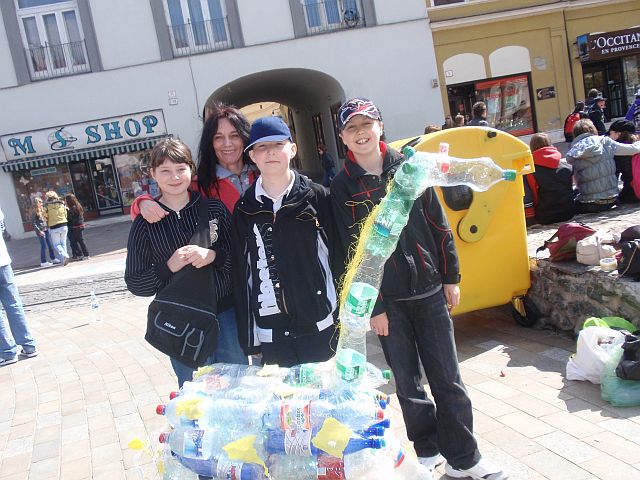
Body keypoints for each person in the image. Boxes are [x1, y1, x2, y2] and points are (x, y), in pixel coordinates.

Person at [330, 97, 508, 480]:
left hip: (429, 291)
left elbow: (439, 224)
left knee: (448, 379)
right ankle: (428, 452)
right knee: (408, 385)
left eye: (366, 124)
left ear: (379, 127)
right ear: (342, 137)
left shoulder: (409, 168)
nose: (360, 133)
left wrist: (451, 276)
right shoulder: (341, 187)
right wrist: (374, 306)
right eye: (351, 127)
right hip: (389, 303)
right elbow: (347, 252)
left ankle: (464, 458)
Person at [125, 138, 242, 387]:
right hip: (181, 323)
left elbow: (241, 259)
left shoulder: (214, 209)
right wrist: (168, 266)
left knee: (237, 387)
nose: (175, 177)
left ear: (191, 169)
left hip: (226, 316)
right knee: (195, 395)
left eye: (181, 169)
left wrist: (213, 256)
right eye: (165, 171)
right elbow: (136, 283)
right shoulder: (145, 223)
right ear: (153, 174)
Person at [231, 116, 337, 367]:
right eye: (261, 147)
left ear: (293, 149)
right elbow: (243, 274)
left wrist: (342, 318)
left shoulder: (317, 197)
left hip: (319, 323)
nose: (270, 152)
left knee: (322, 392)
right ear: (252, 156)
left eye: (278, 144)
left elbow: (338, 259)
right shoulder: (245, 209)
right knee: (281, 393)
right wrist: (251, 339)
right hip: (272, 333)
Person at [131, 103, 258, 219]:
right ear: (210, 143)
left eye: (234, 135)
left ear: (244, 137)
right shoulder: (198, 185)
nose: (227, 143)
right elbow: (164, 202)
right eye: (218, 137)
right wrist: (142, 203)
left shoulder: (262, 174)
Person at [567, 119, 640, 213]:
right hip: (612, 199)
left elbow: (575, 180)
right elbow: (632, 149)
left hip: (589, 203)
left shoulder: (575, 150)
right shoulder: (605, 141)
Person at [0, 206, 38, 367]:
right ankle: (29, 345)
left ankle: (8, 351)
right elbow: (3, 230)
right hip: (3, 262)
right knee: (14, 304)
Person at [523, 133, 575, 224]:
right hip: (569, 212)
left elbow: (532, 196)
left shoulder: (530, 171)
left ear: (532, 147)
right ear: (550, 144)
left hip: (546, 216)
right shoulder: (567, 165)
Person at [609, 119, 639, 203]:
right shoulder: (636, 144)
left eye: (611, 133)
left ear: (618, 133)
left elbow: (614, 176)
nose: (610, 136)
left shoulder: (618, 151)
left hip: (632, 192)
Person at [44, 191, 69, 266]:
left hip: (54, 226)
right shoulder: (62, 203)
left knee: (56, 244)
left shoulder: (46, 206)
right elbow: (65, 214)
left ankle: (64, 255)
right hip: (64, 224)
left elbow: (45, 217)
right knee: (63, 243)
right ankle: (63, 260)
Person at [32, 197, 57, 267]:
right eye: (40, 202)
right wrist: (39, 230)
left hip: (45, 229)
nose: (42, 203)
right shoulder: (34, 212)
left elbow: (45, 219)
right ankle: (43, 261)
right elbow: (33, 223)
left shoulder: (42, 210)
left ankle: (53, 258)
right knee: (44, 246)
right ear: (37, 203)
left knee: (50, 245)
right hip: (41, 230)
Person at [65, 194, 90, 260]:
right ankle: (80, 254)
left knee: (80, 240)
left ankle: (86, 255)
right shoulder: (77, 205)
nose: (65, 202)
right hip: (78, 226)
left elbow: (71, 218)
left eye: (66, 200)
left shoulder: (73, 208)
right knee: (75, 241)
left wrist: (67, 212)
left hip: (77, 226)